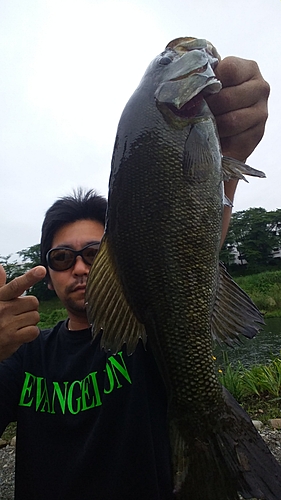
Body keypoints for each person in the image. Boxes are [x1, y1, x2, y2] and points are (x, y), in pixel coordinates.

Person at [0, 56, 270, 500]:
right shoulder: (24, 356)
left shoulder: (147, 338)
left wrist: (231, 159)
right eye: (63, 257)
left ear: (120, 257)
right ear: (47, 273)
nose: (81, 267)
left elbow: (185, 254)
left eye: (93, 253)